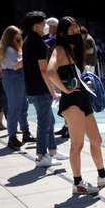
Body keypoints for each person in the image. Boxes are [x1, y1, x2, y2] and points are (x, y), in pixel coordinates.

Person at [46, 17, 105, 194]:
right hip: (72, 102)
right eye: (71, 32)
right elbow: (50, 71)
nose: (75, 34)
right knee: (77, 145)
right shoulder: (60, 49)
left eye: (77, 31)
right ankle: (78, 183)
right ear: (63, 33)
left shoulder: (73, 50)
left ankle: (102, 176)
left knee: (96, 140)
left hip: (83, 99)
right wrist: (64, 89)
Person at [22, 11, 68, 168]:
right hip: (40, 89)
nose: (46, 26)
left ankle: (52, 151)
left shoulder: (29, 40)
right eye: (43, 23)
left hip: (33, 88)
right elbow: (43, 70)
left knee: (50, 121)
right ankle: (41, 156)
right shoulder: (38, 43)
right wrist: (53, 91)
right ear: (36, 26)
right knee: (44, 123)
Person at [0, 25, 33, 148]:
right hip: (13, 76)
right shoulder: (8, 49)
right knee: (14, 107)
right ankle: (12, 137)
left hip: (17, 76)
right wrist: (29, 56)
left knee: (23, 106)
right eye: (18, 34)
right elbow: (16, 66)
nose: (20, 36)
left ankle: (25, 132)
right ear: (11, 36)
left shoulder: (14, 48)